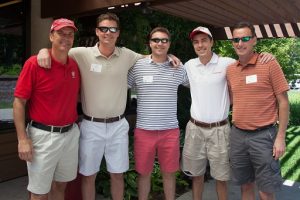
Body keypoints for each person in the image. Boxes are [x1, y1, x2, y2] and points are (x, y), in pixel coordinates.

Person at [37, 13, 179, 200]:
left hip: (118, 126)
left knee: (117, 174)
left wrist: (168, 55)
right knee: (88, 175)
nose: (108, 33)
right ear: (97, 31)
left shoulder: (127, 55)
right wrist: (43, 51)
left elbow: (152, 55)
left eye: (112, 29)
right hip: (91, 125)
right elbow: (59, 49)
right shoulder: (81, 54)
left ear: (118, 33)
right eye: (103, 28)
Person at [181, 26, 274, 200]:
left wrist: (265, 56)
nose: (200, 45)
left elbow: (247, 63)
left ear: (211, 42)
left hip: (220, 130)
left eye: (204, 40)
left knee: (221, 178)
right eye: (196, 42)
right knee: (196, 176)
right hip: (195, 129)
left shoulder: (227, 63)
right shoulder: (189, 65)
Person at [13, 18, 80, 200]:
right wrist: (22, 139)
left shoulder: (74, 65)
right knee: (39, 192)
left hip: (70, 134)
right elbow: (19, 102)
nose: (66, 38)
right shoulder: (34, 64)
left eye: (70, 34)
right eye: (61, 33)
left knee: (60, 186)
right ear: (51, 36)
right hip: (43, 136)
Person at [226, 21, 289, 200]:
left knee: (266, 190)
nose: (240, 43)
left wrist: (281, 137)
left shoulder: (269, 64)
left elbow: (283, 102)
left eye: (245, 38)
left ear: (254, 40)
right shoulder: (230, 70)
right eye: (236, 39)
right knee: (245, 185)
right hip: (237, 135)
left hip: (264, 136)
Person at [127, 27, 189, 200]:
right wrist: (134, 105)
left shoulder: (178, 68)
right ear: (149, 43)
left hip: (170, 131)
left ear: (169, 44)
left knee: (169, 174)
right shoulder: (138, 66)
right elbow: (130, 88)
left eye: (164, 40)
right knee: (143, 174)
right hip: (144, 131)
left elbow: (198, 85)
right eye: (156, 40)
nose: (159, 43)